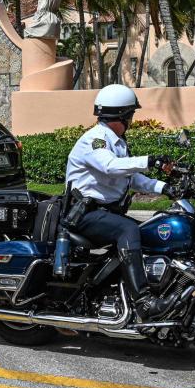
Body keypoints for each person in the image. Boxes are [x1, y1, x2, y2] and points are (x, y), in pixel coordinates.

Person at [64, 84, 174, 320]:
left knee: (151, 231)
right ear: (122, 115)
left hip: (105, 214)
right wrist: (150, 160)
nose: (132, 119)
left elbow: (131, 177)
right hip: (85, 215)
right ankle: (144, 301)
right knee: (128, 228)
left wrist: (166, 188)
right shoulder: (95, 140)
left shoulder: (117, 141)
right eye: (130, 114)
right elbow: (110, 166)